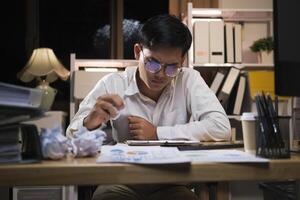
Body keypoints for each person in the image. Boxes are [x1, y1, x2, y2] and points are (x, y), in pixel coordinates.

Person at [67, 14, 231, 200]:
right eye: (152, 62)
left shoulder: (188, 79)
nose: (160, 74)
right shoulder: (112, 84)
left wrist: (157, 134)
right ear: (138, 52)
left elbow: (221, 127)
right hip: (120, 182)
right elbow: (70, 139)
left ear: (182, 60)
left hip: (172, 184)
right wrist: (89, 123)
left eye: (171, 67)